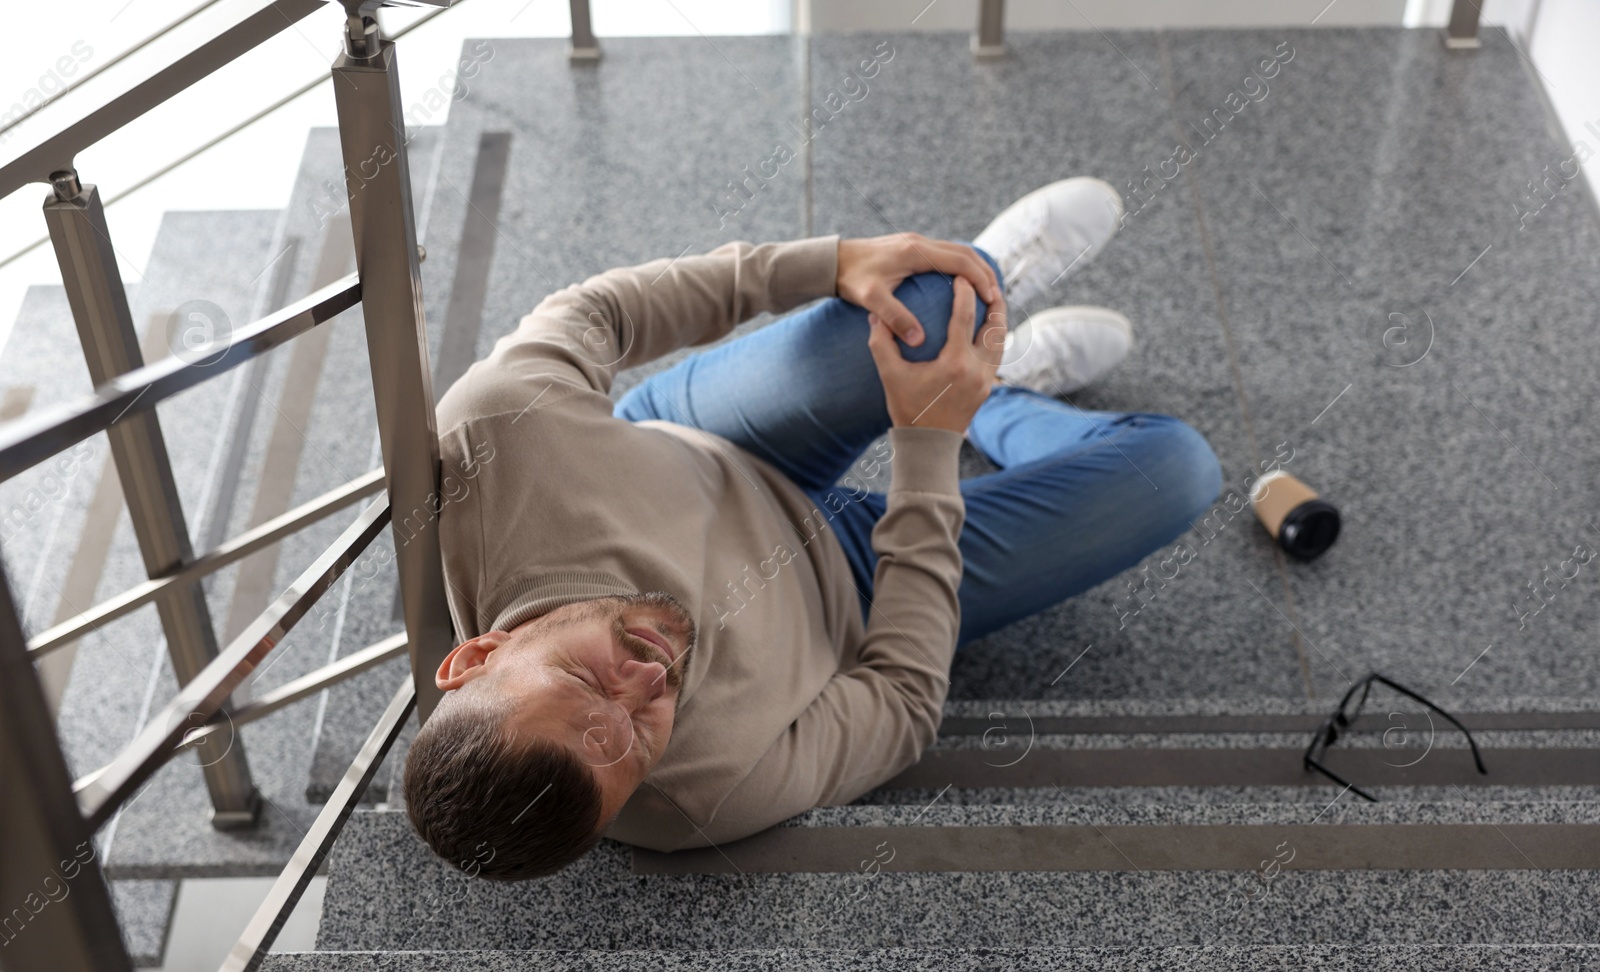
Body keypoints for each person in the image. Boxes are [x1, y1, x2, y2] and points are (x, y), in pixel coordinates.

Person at [402, 178, 1222, 879]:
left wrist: (823, 263)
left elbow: (596, 313)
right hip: (851, 579)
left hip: (705, 446)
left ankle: (977, 367)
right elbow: (900, 708)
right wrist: (928, 442)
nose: (651, 683)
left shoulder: (497, 439)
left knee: (926, 300)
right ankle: (988, 395)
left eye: (587, 682)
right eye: (640, 743)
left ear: (476, 655)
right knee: (1181, 470)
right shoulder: (701, 801)